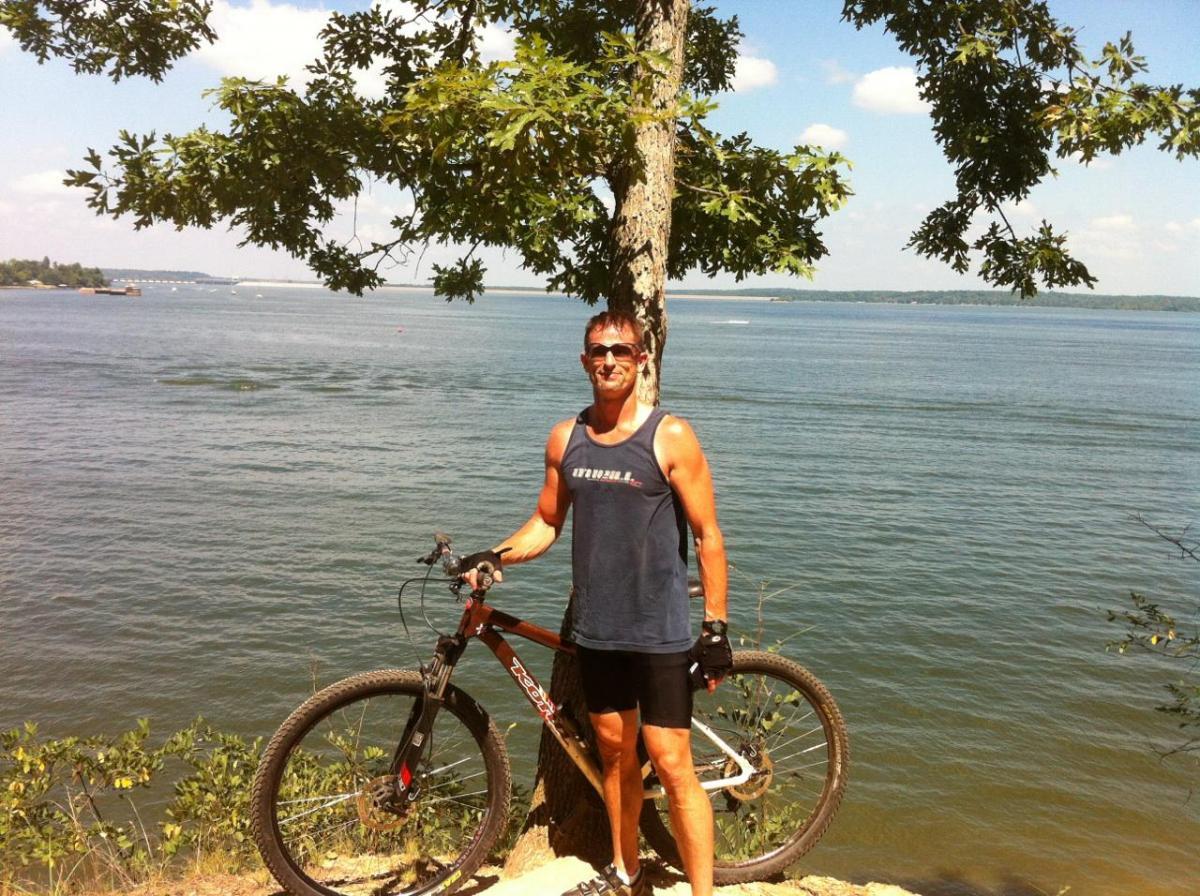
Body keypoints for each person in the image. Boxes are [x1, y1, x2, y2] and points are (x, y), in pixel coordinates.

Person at [458, 310, 731, 896]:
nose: (609, 360)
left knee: (672, 760)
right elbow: (546, 523)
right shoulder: (567, 438)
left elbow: (709, 533)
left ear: (641, 360)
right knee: (614, 756)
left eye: (621, 351)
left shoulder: (670, 436)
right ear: (584, 361)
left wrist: (715, 628)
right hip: (599, 630)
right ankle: (626, 873)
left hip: (659, 628)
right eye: (597, 351)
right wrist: (494, 555)